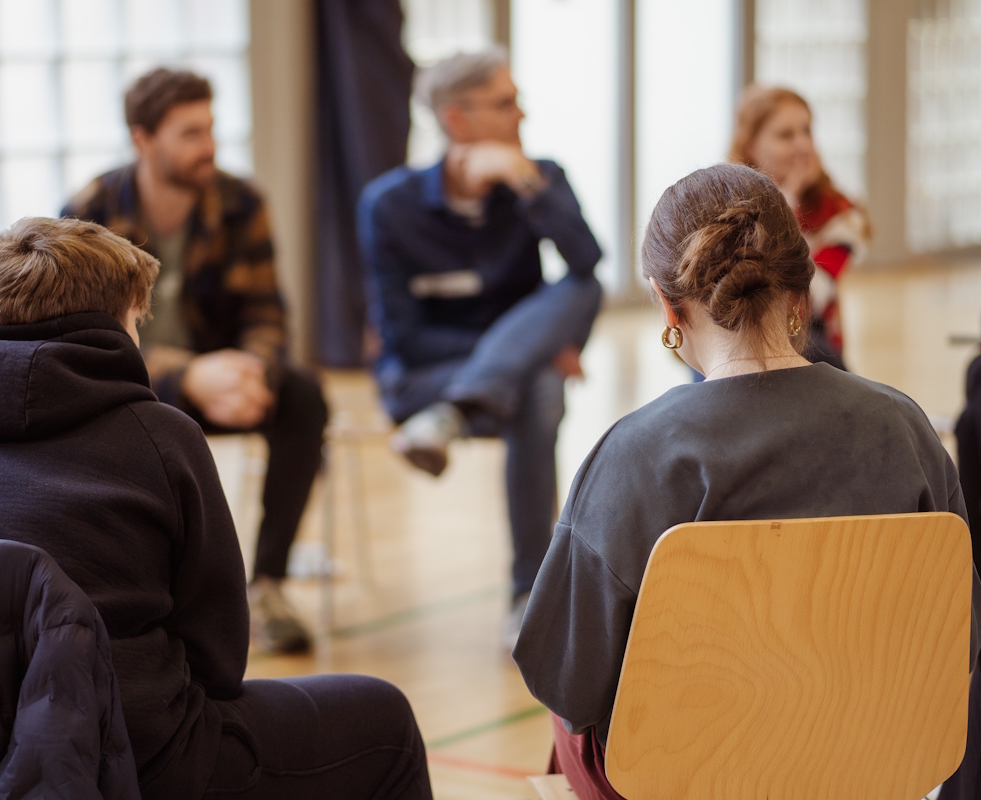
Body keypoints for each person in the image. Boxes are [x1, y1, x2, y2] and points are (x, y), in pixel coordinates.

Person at [0, 216, 433, 800]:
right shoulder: (161, 439)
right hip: (131, 760)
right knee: (385, 722)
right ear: (115, 323)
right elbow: (219, 659)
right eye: (138, 321)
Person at [512, 163, 981, 799]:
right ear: (802, 294)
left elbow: (567, 681)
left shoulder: (634, 455)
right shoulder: (905, 429)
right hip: (871, 762)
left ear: (666, 303)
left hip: (679, 781)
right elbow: (959, 642)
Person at [62, 68, 325, 654]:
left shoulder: (240, 202)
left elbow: (266, 313)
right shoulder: (91, 210)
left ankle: (268, 585)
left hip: (227, 379)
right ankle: (146, 589)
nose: (208, 146)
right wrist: (188, 375)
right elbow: (85, 336)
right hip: (128, 386)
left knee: (303, 395)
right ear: (143, 139)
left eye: (209, 128)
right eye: (189, 133)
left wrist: (251, 372)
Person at [356, 47, 603, 648]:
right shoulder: (389, 205)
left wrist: (529, 186)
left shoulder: (537, 178)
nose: (522, 114)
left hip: (464, 401)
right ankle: (528, 595)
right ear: (456, 119)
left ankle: (461, 412)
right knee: (538, 384)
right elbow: (406, 339)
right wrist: (523, 349)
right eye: (505, 103)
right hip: (421, 384)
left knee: (579, 295)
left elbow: (586, 262)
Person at [729, 84, 870, 370]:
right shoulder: (727, 204)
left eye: (807, 131)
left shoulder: (840, 217)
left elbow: (805, 298)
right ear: (750, 147)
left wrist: (787, 199)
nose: (803, 145)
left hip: (805, 338)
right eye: (786, 135)